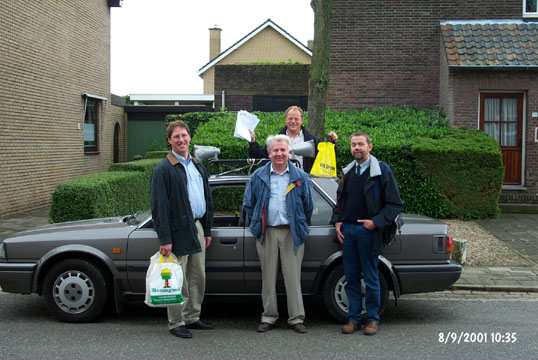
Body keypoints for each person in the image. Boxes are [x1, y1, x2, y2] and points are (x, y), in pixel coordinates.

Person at [331, 132, 403, 336]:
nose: (357, 148)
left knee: (371, 278)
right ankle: (353, 318)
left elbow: (394, 204)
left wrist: (375, 223)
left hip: (368, 232)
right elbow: (339, 201)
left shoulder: (381, 171)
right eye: (353, 145)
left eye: (361, 144)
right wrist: (337, 220)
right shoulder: (348, 173)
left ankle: (372, 318)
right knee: (351, 277)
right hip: (348, 232)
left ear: (370, 147)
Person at [149, 120, 214, 339]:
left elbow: (207, 199)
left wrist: (206, 230)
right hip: (176, 231)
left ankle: (192, 316)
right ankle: (176, 321)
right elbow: (159, 206)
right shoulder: (163, 169)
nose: (181, 140)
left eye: (184, 135)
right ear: (169, 140)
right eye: (176, 137)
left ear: (189, 138)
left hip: (196, 226)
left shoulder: (196, 165)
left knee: (198, 277)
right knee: (179, 279)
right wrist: (165, 238)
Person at [243, 134, 314, 333]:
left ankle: (296, 318)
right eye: (276, 150)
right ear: (269, 153)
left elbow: (308, 205)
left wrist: (300, 224)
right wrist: (257, 223)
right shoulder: (258, 176)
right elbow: (249, 204)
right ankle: (269, 316)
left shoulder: (300, 177)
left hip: (292, 233)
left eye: (283, 150)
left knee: (293, 277)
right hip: (267, 233)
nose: (280, 153)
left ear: (289, 152)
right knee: (268, 277)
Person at [248, 106, 338, 173]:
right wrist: (252, 142)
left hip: (304, 182)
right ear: (285, 120)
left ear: (302, 120)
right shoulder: (276, 141)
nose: (293, 121)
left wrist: (331, 143)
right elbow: (259, 156)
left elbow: (329, 157)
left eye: (296, 119)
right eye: (290, 118)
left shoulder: (313, 141)